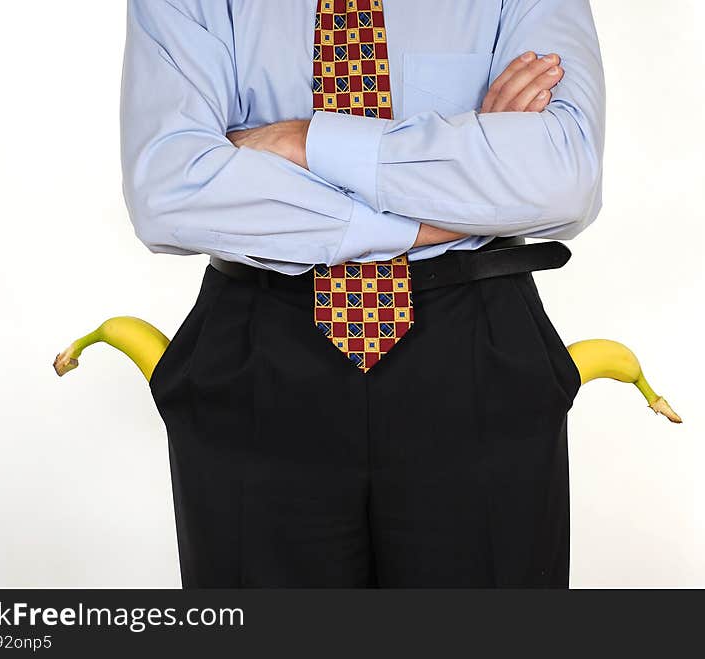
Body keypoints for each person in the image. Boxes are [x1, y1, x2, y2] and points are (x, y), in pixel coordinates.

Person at [120, 0, 605, 588]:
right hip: (259, 349)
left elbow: (562, 177)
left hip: (476, 349)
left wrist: (306, 143)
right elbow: (171, 191)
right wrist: (457, 192)